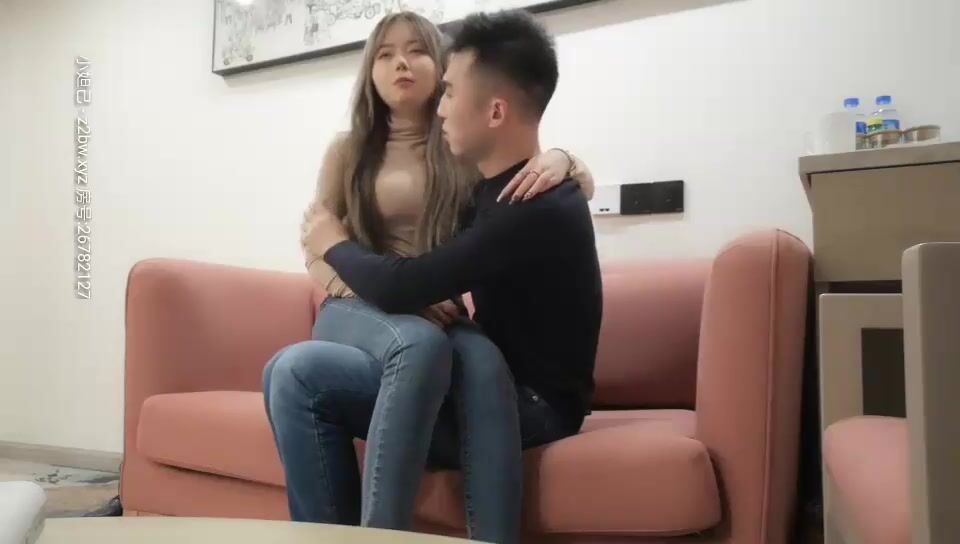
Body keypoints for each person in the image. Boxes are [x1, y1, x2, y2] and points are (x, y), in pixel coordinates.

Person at [262, 9, 596, 544]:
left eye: (418, 51)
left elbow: (522, 167)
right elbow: (320, 244)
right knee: (430, 346)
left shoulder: (467, 159)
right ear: (369, 70)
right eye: (385, 54)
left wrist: (567, 159)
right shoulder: (350, 150)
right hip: (363, 305)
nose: (402, 64)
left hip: (429, 312)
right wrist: (361, 272)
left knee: (301, 370)